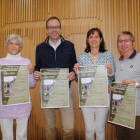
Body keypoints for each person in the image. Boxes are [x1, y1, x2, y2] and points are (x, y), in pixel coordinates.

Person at [33, 17, 77, 140]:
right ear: (46, 30)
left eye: (56, 27)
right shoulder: (39, 47)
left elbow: (74, 65)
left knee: (69, 128)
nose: (54, 29)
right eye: (51, 27)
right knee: (50, 127)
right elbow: (38, 66)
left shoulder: (69, 46)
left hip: (64, 90)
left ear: (60, 29)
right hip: (47, 91)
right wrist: (36, 73)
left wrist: (73, 73)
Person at [73, 28, 115, 140]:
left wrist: (110, 72)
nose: (94, 39)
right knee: (89, 128)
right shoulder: (82, 56)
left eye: (96, 36)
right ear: (87, 40)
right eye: (91, 36)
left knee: (100, 128)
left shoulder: (108, 55)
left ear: (101, 39)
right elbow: (79, 79)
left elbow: (113, 78)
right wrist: (77, 73)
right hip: (87, 95)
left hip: (104, 95)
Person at [0, 34, 36, 140]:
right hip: (5, 105)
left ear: (20, 46)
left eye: (17, 43)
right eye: (11, 43)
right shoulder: (1, 62)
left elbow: (32, 84)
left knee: (22, 136)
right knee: (7, 137)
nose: (13, 46)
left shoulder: (26, 62)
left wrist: (30, 73)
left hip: (22, 105)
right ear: (7, 45)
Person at [114, 31, 140, 140]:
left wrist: (135, 84)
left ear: (133, 44)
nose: (123, 44)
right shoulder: (119, 62)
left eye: (126, 41)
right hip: (120, 110)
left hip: (136, 112)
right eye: (120, 41)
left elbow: (134, 84)